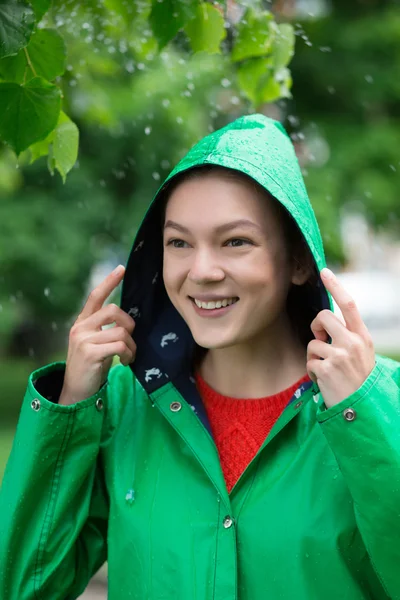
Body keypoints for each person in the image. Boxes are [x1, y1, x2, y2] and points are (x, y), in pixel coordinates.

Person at [1, 114, 399, 600]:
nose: (202, 270)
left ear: (298, 261)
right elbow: (24, 586)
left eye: (236, 242)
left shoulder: (376, 403)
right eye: (178, 243)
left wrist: (365, 419)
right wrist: (72, 404)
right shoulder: (124, 407)